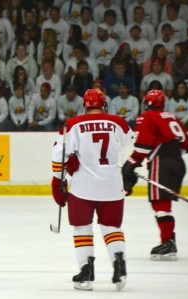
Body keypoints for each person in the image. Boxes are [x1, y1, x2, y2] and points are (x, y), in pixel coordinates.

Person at [51, 88, 133, 291]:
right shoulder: (118, 122)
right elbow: (133, 147)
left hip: (83, 187)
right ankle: (119, 264)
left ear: (85, 107)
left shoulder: (72, 125)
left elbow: (58, 155)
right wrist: (129, 174)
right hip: (113, 186)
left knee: (82, 227)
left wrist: (58, 183)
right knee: (112, 227)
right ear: (103, 105)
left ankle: (86, 272)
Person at [122, 89, 188, 261]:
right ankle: (170, 241)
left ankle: (167, 243)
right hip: (178, 163)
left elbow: (143, 145)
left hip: (162, 162)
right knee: (163, 204)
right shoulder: (172, 117)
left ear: (148, 103)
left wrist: (131, 162)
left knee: (160, 204)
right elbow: (186, 146)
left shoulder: (147, 116)